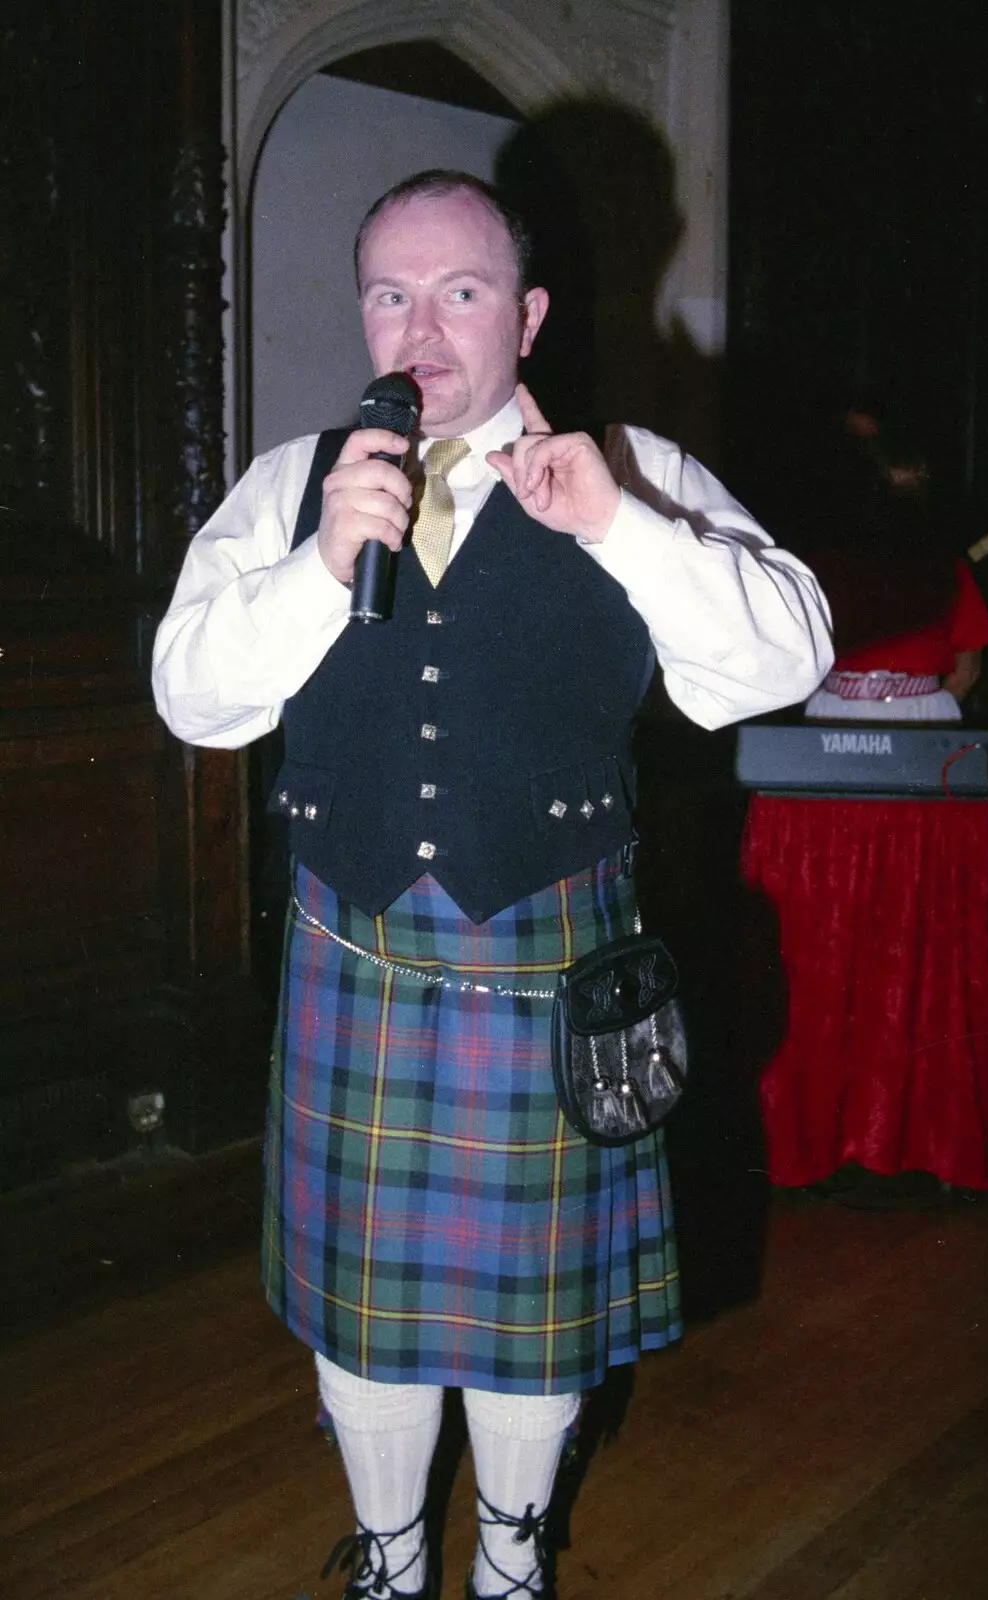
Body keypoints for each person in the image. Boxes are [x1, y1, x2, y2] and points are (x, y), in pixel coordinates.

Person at [152, 170, 832, 1600]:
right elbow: (191, 700)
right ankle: (392, 1558)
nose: (421, 330)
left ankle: (513, 1562)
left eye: (458, 291)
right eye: (389, 294)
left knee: (535, 1319)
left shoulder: (630, 468)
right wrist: (320, 564)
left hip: (551, 960)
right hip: (359, 952)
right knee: (362, 1311)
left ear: (523, 314)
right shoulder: (295, 484)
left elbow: (781, 663)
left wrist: (617, 526)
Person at [740, 413, 988, 1199]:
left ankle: (843, 1136)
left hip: (846, 737)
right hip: (897, 742)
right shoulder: (925, 564)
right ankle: (881, 1135)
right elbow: (964, 671)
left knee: (843, 934)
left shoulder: (826, 563)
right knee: (889, 938)